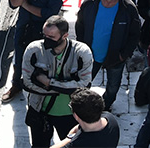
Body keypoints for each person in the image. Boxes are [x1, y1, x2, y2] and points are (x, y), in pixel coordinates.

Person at [20, 14, 95, 148]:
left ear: (65, 35)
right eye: (45, 35)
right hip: (39, 110)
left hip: (69, 113)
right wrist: (65, 88)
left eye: (52, 37)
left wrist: (48, 82)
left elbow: (84, 86)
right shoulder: (34, 50)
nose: (46, 40)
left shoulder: (82, 53)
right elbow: (27, 83)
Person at [76, 0, 142, 112]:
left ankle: (105, 106)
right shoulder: (89, 3)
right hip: (90, 56)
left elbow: (135, 34)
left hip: (115, 57)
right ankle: (82, 106)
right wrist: (81, 48)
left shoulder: (128, 8)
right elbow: (80, 25)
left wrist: (123, 55)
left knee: (112, 87)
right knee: (82, 83)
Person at [4, 0, 67, 101]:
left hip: (46, 31)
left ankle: (41, 86)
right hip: (25, 27)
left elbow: (48, 14)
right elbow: (13, 3)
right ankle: (16, 85)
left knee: (45, 60)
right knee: (19, 57)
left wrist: (25, 4)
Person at [53, 87, 120, 148]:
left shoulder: (76, 144)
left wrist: (68, 139)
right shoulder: (110, 119)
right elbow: (78, 126)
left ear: (76, 116)